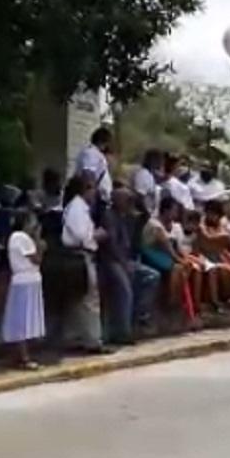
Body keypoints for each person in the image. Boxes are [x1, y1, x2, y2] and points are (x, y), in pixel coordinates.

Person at [99, 187, 160, 344]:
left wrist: (138, 200)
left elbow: (145, 216)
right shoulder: (109, 215)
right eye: (126, 200)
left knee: (151, 276)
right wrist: (124, 263)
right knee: (125, 290)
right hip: (111, 260)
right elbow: (112, 245)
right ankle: (123, 333)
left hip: (127, 259)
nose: (129, 203)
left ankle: (138, 315)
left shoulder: (127, 215)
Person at [61, 175, 109, 352]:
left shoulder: (80, 208)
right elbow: (82, 236)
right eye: (92, 188)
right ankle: (93, 340)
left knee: (77, 300)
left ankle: (76, 337)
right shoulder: (77, 208)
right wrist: (97, 235)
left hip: (79, 255)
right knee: (89, 299)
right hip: (81, 255)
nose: (94, 192)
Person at [2, 210, 46, 369]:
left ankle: (21, 355)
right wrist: (39, 241)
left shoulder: (17, 238)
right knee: (24, 320)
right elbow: (36, 258)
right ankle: (23, 356)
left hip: (27, 280)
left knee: (23, 319)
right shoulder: (21, 237)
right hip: (26, 280)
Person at [197, 200, 230, 310]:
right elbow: (208, 239)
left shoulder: (221, 224)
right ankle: (220, 300)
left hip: (222, 255)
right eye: (211, 213)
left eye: (215, 214)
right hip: (206, 255)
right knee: (222, 270)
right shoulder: (201, 225)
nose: (213, 217)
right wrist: (224, 237)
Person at [72, 127, 114, 202]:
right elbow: (88, 174)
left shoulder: (93, 153)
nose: (108, 145)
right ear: (102, 141)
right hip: (95, 198)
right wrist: (90, 194)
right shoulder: (92, 153)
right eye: (107, 142)